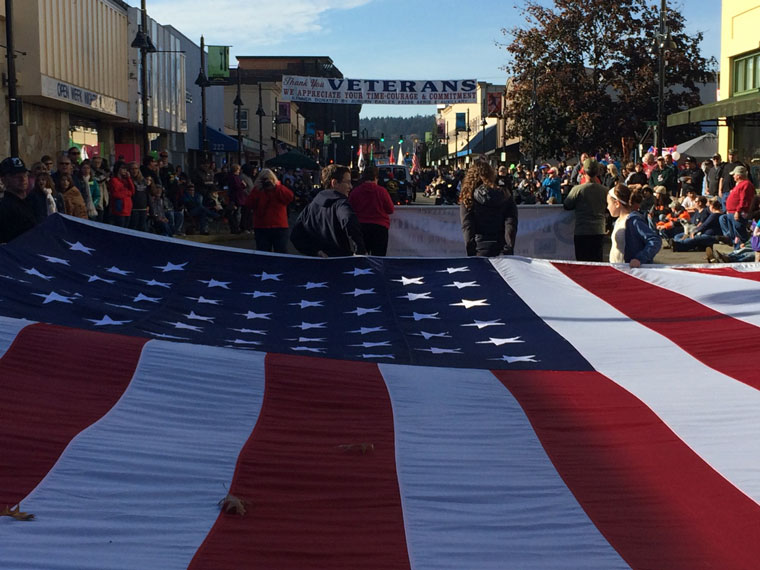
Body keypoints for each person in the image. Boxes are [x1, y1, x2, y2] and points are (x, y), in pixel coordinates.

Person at [290, 164, 366, 257]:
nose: (351, 186)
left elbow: (295, 236)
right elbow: (349, 219)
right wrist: (359, 250)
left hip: (317, 264)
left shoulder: (311, 207)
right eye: (347, 182)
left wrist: (315, 252)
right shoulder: (340, 203)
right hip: (340, 262)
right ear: (334, 183)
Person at [459, 160, 518, 257]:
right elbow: (511, 225)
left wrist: (471, 253)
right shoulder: (505, 195)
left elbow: (467, 228)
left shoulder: (468, 198)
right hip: (501, 248)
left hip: (479, 248)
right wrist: (508, 249)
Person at [564, 158, 608, 261]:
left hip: (582, 231)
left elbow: (567, 205)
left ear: (583, 171)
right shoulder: (604, 190)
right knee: (597, 264)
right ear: (597, 172)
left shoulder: (577, 190)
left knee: (582, 265)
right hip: (599, 231)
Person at [607, 184, 662, 267]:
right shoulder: (618, 221)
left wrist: (639, 259)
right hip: (618, 270)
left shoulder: (633, 220)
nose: (607, 207)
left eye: (608, 203)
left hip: (630, 271)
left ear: (617, 203)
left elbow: (655, 240)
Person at [347, 166, 395, 256]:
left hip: (361, 228)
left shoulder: (355, 191)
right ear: (376, 178)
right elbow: (390, 210)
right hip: (380, 228)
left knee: (361, 257)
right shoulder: (382, 191)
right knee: (379, 257)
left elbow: (349, 209)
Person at [244, 168, 294, 253]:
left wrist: (276, 187)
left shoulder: (279, 189)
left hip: (277, 226)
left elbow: (289, 197)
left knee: (280, 252)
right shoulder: (258, 191)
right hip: (264, 226)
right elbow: (249, 204)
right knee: (264, 253)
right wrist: (257, 189)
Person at [0, 157, 37, 243]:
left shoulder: (31, 201)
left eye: (24, 174)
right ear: (4, 180)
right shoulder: (5, 208)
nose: (22, 178)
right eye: (15, 176)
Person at [720, 164, 755, 247]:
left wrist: (738, 211)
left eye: (734, 175)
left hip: (737, 213)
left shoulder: (746, 184)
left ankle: (741, 251)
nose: (733, 176)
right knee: (735, 234)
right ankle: (735, 251)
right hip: (731, 212)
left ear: (739, 175)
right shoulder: (739, 184)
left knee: (740, 232)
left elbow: (744, 199)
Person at [108, 161, 135, 228]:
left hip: (128, 208)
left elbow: (132, 191)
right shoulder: (114, 180)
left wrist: (129, 178)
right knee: (120, 228)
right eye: (123, 168)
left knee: (126, 228)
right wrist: (128, 193)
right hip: (120, 208)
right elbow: (116, 194)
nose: (125, 170)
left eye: (125, 169)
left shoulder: (125, 180)